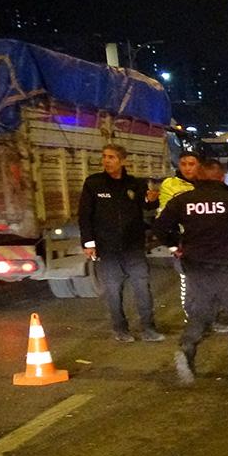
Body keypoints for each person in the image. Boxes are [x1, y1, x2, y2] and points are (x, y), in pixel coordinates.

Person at [151, 157, 228, 383]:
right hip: (227, 267)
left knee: (201, 312)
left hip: (196, 266)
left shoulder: (183, 200)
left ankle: (187, 347)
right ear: (221, 177)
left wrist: (175, 246)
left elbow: (160, 227)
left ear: (199, 176)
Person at [78, 143, 164, 342]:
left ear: (123, 160)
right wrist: (88, 243)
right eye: (104, 156)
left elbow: (146, 205)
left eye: (111, 157)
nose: (106, 161)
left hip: (133, 246)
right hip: (107, 247)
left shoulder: (135, 183)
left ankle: (148, 328)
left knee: (142, 287)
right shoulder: (94, 183)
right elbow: (85, 215)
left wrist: (152, 200)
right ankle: (120, 329)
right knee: (113, 290)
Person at [158, 152, 199, 323]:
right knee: (188, 283)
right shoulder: (170, 184)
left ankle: (210, 317)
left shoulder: (205, 183)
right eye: (184, 164)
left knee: (208, 283)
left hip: (205, 241)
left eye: (191, 164)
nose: (187, 168)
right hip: (184, 242)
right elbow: (163, 218)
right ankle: (194, 320)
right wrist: (173, 245)